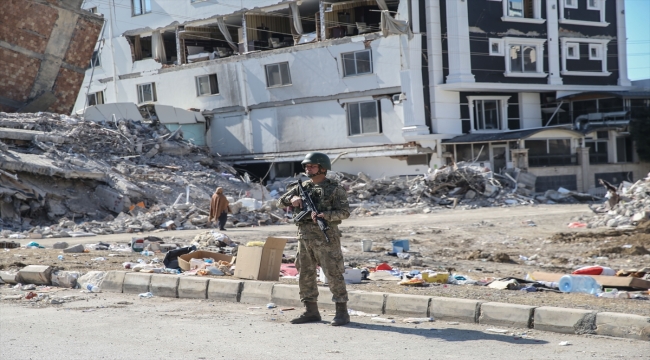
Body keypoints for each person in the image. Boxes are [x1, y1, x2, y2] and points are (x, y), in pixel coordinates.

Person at [277, 152, 351, 326]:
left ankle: (342, 311)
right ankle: (310, 311)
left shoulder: (334, 188)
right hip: (304, 237)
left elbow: (344, 212)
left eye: (311, 166)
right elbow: (280, 202)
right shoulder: (302, 187)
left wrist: (326, 215)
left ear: (322, 168)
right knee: (305, 274)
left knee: (333, 273)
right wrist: (292, 198)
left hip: (326, 237)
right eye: (306, 166)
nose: (307, 169)